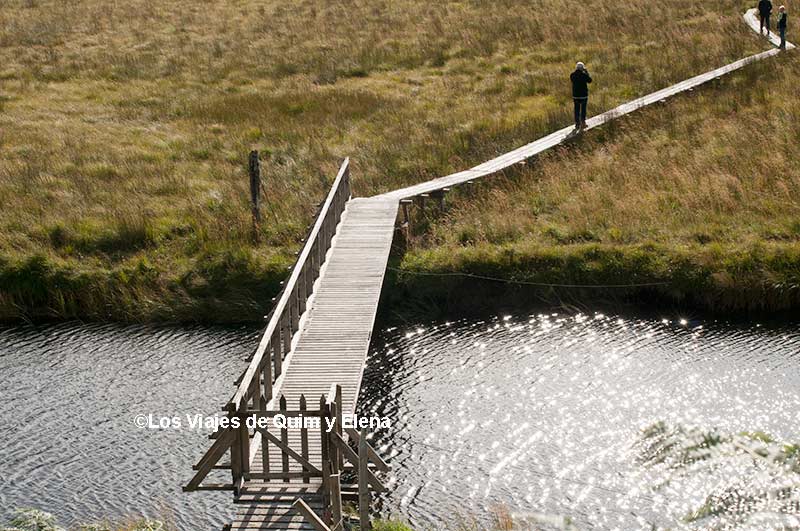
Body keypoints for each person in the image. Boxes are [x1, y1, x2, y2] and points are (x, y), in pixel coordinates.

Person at [570, 62, 592, 130]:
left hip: (575, 95)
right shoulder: (584, 75)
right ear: (582, 68)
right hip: (583, 95)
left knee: (576, 109)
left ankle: (577, 124)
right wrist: (586, 72)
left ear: (576, 68)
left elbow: (572, 81)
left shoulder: (572, 75)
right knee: (583, 109)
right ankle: (583, 122)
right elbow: (590, 81)